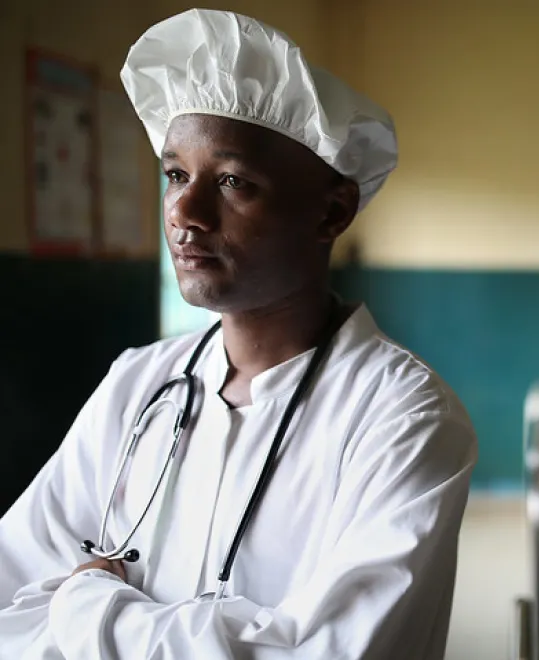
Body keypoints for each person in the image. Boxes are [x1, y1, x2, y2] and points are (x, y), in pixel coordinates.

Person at [0, 9, 477, 659]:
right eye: (175, 175)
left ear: (332, 211)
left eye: (232, 182)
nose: (185, 212)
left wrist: (88, 603)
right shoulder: (138, 385)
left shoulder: (403, 419)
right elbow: (9, 595)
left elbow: (327, 652)